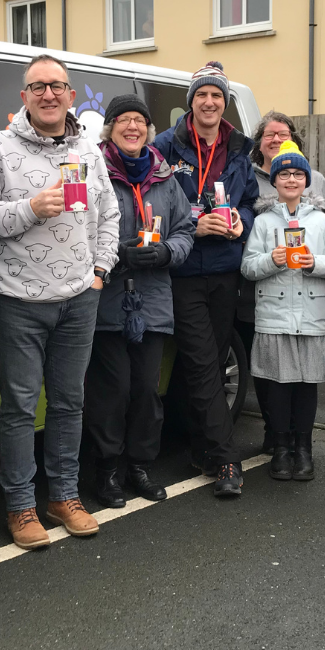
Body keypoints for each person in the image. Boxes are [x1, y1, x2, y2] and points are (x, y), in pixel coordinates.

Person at [0, 54, 120, 550]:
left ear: (71, 95)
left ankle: (65, 497)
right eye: (38, 86)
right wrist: (29, 209)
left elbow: (109, 214)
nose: (48, 94)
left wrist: (100, 271)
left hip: (79, 298)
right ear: (24, 97)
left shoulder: (90, 151)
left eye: (57, 86)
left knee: (70, 403)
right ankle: (20, 506)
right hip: (19, 300)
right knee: (20, 408)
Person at [154, 61, 258, 497]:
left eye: (217, 95)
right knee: (201, 361)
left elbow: (252, 202)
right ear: (190, 102)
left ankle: (196, 445)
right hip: (182, 272)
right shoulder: (164, 147)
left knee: (210, 363)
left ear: (225, 101)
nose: (210, 102)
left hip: (225, 271)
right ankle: (225, 459)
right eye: (202, 95)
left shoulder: (238, 149)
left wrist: (241, 222)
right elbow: (150, 204)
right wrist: (189, 228)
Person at [85, 95, 194, 508]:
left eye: (140, 121)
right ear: (109, 128)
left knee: (147, 391)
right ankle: (107, 470)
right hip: (107, 297)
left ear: (149, 129)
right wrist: (116, 255)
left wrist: (167, 252)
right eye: (123, 120)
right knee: (110, 391)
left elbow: (185, 229)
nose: (133, 127)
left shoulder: (165, 178)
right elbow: (78, 230)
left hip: (152, 300)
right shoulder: (94, 172)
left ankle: (141, 466)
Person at [240, 110, 325, 455]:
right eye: (283, 174)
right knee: (276, 385)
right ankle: (280, 447)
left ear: (306, 179)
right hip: (274, 314)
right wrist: (272, 259)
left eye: (297, 174)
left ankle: (304, 449)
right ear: (274, 179)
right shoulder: (263, 221)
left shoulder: (321, 220)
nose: (291, 180)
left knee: (305, 385)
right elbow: (248, 265)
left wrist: (315, 263)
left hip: (310, 316)